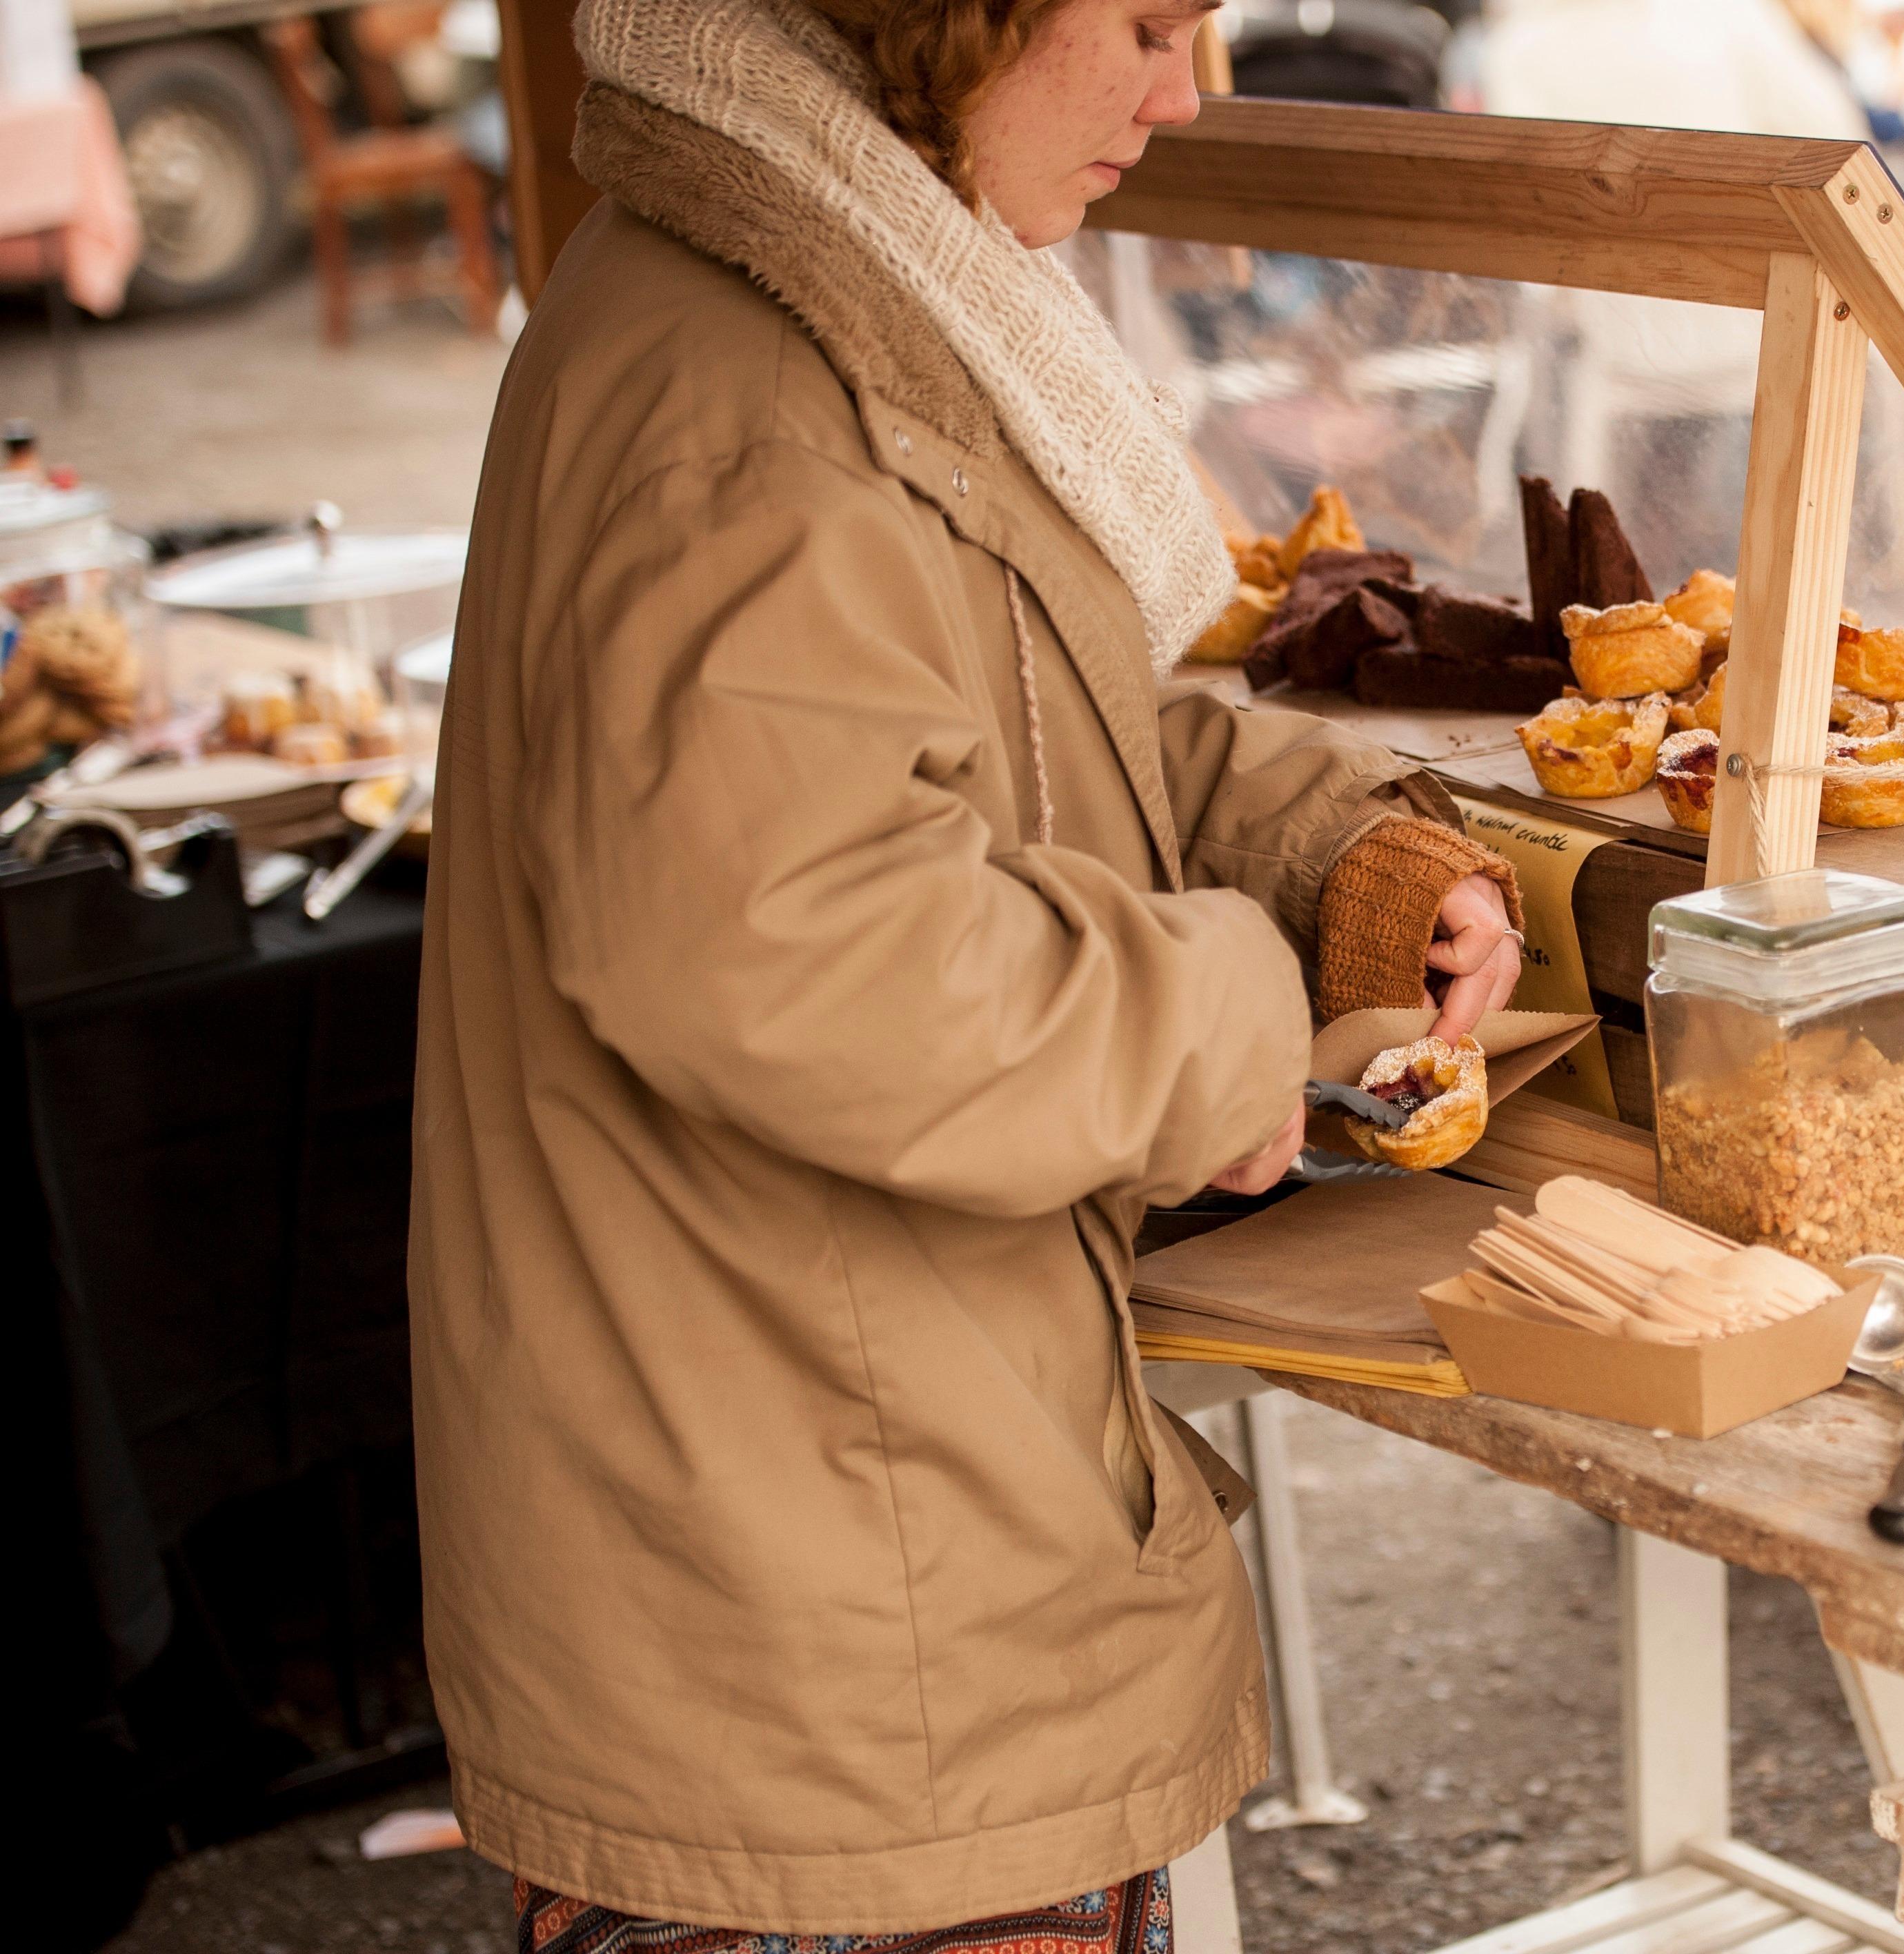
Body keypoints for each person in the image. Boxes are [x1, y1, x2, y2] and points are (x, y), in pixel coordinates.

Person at [410, 1, 1532, 1947]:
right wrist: (1230, 1021)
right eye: (1147, 24)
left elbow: (1031, 717)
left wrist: (1333, 855)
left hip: (843, 1537)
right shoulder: (760, 387)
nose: (1187, 96)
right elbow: (798, 946)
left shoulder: (847, 283)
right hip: (824, 1618)